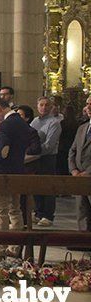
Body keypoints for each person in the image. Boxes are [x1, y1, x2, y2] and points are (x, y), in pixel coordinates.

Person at [0, 98, 32, 257]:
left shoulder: (6, 125)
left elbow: (3, 152)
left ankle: (1, 248)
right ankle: (15, 248)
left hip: (3, 174)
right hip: (18, 171)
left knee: (0, 211)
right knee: (15, 210)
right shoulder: (22, 123)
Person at [30, 96, 62, 227]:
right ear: (37, 107)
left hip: (47, 158)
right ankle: (38, 212)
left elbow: (49, 145)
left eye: (46, 105)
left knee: (48, 187)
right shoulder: (34, 121)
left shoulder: (54, 123)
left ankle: (48, 215)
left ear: (51, 107)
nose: (44, 107)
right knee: (36, 186)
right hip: (35, 159)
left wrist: (33, 151)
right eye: (41, 105)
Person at [68, 95, 91, 234]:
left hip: (88, 174)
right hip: (79, 176)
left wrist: (88, 172)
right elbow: (73, 150)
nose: (88, 107)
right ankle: (83, 240)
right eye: (87, 104)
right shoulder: (83, 127)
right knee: (82, 210)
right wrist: (74, 170)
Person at [58, 105, 78, 177]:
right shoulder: (77, 123)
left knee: (62, 168)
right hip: (72, 145)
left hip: (62, 147)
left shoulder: (62, 123)